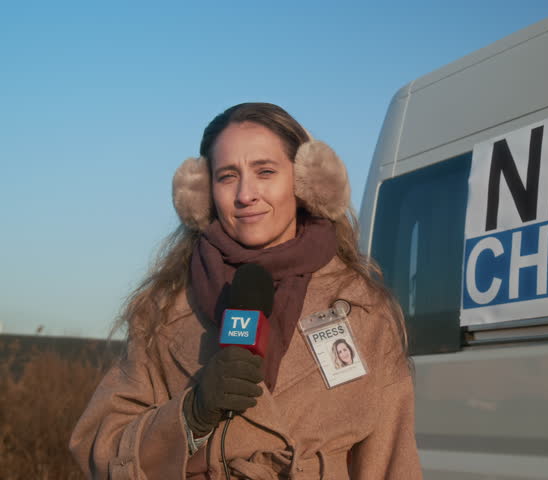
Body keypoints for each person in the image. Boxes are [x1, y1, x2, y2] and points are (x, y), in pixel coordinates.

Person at [69, 103, 422, 479]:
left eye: (265, 172)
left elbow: (391, 463)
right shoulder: (165, 310)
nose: (245, 194)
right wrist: (190, 416)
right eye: (226, 177)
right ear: (204, 194)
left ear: (306, 181)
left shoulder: (362, 308)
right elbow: (98, 448)